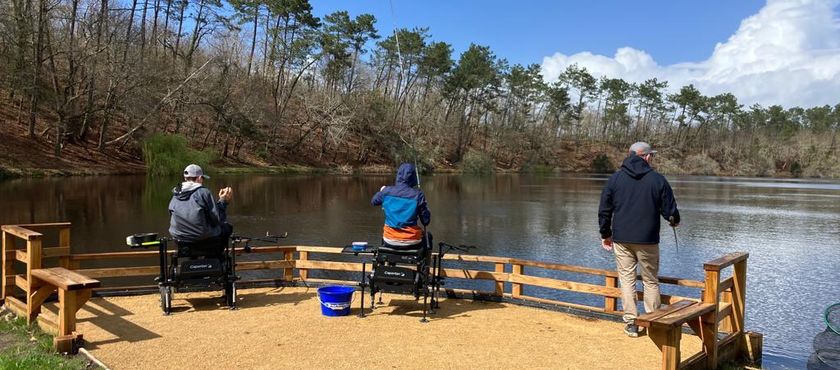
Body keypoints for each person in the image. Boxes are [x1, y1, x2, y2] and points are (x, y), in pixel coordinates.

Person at [598, 142, 680, 338]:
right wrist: (674, 220)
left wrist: (605, 234)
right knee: (651, 281)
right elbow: (670, 211)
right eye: (652, 155)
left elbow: (604, 210)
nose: (652, 158)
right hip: (648, 240)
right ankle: (652, 322)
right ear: (646, 156)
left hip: (622, 239)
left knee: (627, 280)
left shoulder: (615, 179)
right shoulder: (657, 180)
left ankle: (632, 323)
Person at [168, 164, 233, 253]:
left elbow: (171, 214)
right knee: (226, 228)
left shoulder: (176, 194)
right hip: (202, 240)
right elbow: (217, 219)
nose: (202, 181)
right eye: (202, 178)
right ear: (199, 178)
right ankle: (217, 258)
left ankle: (193, 259)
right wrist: (223, 201)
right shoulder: (203, 192)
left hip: (179, 240)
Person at [371, 163, 431, 249]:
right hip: (412, 241)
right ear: (413, 178)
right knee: (429, 237)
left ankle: (389, 260)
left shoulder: (386, 191)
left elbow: (374, 202)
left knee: (385, 236)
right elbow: (426, 221)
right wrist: (425, 207)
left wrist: (382, 190)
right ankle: (426, 262)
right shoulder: (418, 195)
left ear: (398, 176)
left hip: (389, 240)